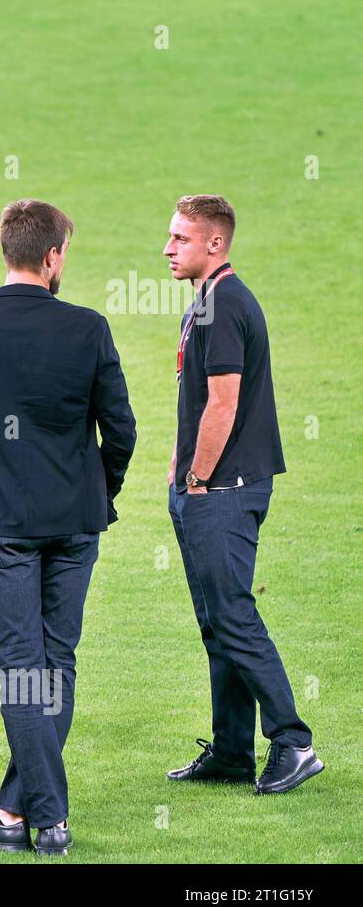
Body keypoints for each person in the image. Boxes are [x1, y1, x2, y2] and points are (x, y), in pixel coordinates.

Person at [0, 199, 136, 855]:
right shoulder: (89, 327)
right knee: (58, 660)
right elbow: (122, 429)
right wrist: (99, 487)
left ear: (11, 250)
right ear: (51, 258)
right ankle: (18, 813)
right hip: (75, 518)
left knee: (22, 667)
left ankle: (44, 819)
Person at [162, 194, 323, 794]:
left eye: (181, 238)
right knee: (217, 622)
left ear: (215, 243)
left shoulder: (224, 303)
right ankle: (232, 750)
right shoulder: (206, 301)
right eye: (170, 236)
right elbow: (200, 397)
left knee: (233, 615)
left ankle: (293, 742)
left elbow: (223, 402)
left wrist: (198, 478)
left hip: (224, 489)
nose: (168, 248)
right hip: (210, 486)